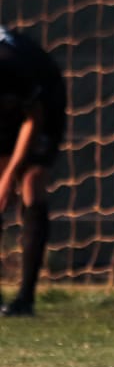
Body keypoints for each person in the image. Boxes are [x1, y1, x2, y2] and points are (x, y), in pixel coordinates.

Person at [0, 26, 66, 317]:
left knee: (31, 180)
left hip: (44, 100)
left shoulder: (12, 68)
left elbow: (33, 119)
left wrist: (10, 175)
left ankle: (25, 298)